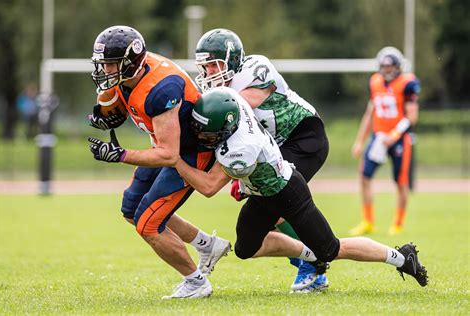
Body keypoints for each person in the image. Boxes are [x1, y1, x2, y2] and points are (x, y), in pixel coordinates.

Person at [174, 87, 428, 292]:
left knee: (332, 249)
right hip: (262, 194)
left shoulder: (241, 148)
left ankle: (402, 257)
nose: (204, 139)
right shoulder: (235, 103)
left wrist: (173, 159)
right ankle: (309, 256)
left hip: (288, 192)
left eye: (210, 134)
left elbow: (208, 187)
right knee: (246, 249)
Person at [86, 25, 231, 299]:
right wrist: (102, 115)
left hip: (190, 153)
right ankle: (207, 245)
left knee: (148, 224)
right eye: (103, 65)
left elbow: (169, 155)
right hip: (168, 146)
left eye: (111, 65)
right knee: (131, 210)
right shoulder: (133, 72)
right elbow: (114, 103)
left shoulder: (162, 88)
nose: (105, 71)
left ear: (131, 62)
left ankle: (196, 282)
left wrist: (120, 155)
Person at [194, 28, 330, 292]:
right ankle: (312, 260)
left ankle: (313, 264)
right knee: (269, 209)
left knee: (276, 204)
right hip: (273, 147)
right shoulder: (222, 87)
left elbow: (240, 107)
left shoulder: (256, 67)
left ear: (232, 60)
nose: (209, 72)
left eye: (213, 65)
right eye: (205, 67)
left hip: (303, 136)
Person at [350, 47, 420, 236]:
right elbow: (370, 113)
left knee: (400, 182)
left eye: (391, 66)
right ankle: (368, 221)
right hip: (379, 137)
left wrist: (395, 134)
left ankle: (397, 223)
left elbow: (412, 116)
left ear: (398, 67)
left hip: (399, 139)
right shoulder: (375, 82)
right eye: (384, 66)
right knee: (364, 177)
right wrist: (359, 141)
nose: (387, 70)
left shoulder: (408, 83)